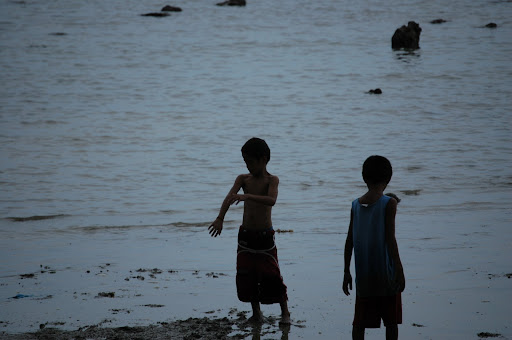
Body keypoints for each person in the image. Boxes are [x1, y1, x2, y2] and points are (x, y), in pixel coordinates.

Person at [209, 137, 290, 324]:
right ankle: (256, 313)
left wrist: (247, 196)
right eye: (245, 161)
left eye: (250, 162)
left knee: (272, 274)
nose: (247, 166)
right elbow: (230, 197)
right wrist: (220, 218)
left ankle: (285, 312)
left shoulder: (272, 180)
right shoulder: (243, 179)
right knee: (247, 274)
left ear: (263, 159)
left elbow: (272, 200)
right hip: (246, 235)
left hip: (265, 236)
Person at [343, 155, 405, 340]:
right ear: (388, 179)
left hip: (364, 275)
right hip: (386, 274)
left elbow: (349, 240)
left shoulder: (355, 205)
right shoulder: (389, 203)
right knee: (391, 323)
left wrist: (346, 271)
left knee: (359, 323)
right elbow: (390, 239)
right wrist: (399, 268)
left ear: (364, 178)